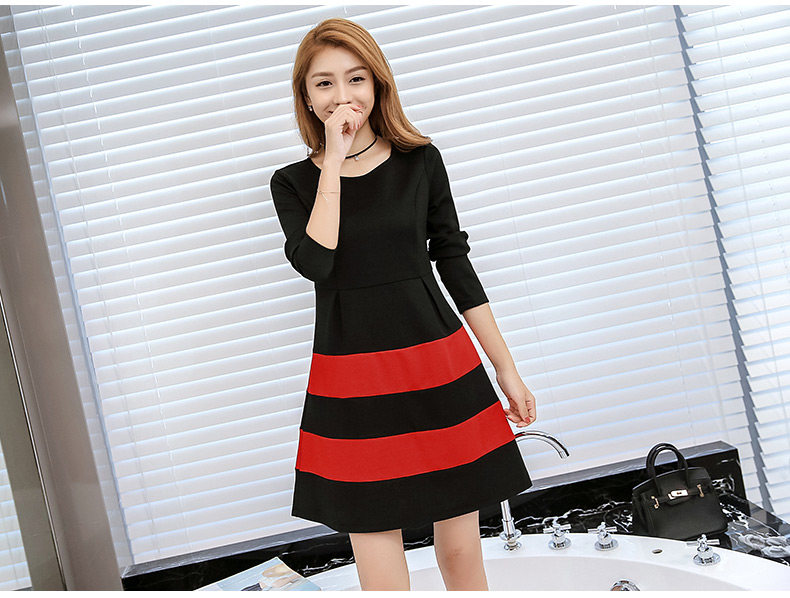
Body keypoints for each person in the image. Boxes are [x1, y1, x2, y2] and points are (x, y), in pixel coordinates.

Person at [269, 17, 538, 591]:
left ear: (377, 84)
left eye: (355, 78)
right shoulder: (291, 183)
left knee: (462, 553)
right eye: (324, 83)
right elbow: (315, 261)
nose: (342, 95)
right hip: (352, 381)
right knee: (381, 573)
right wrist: (333, 159)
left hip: (437, 365)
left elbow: (455, 263)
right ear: (306, 96)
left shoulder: (420, 161)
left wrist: (506, 369)